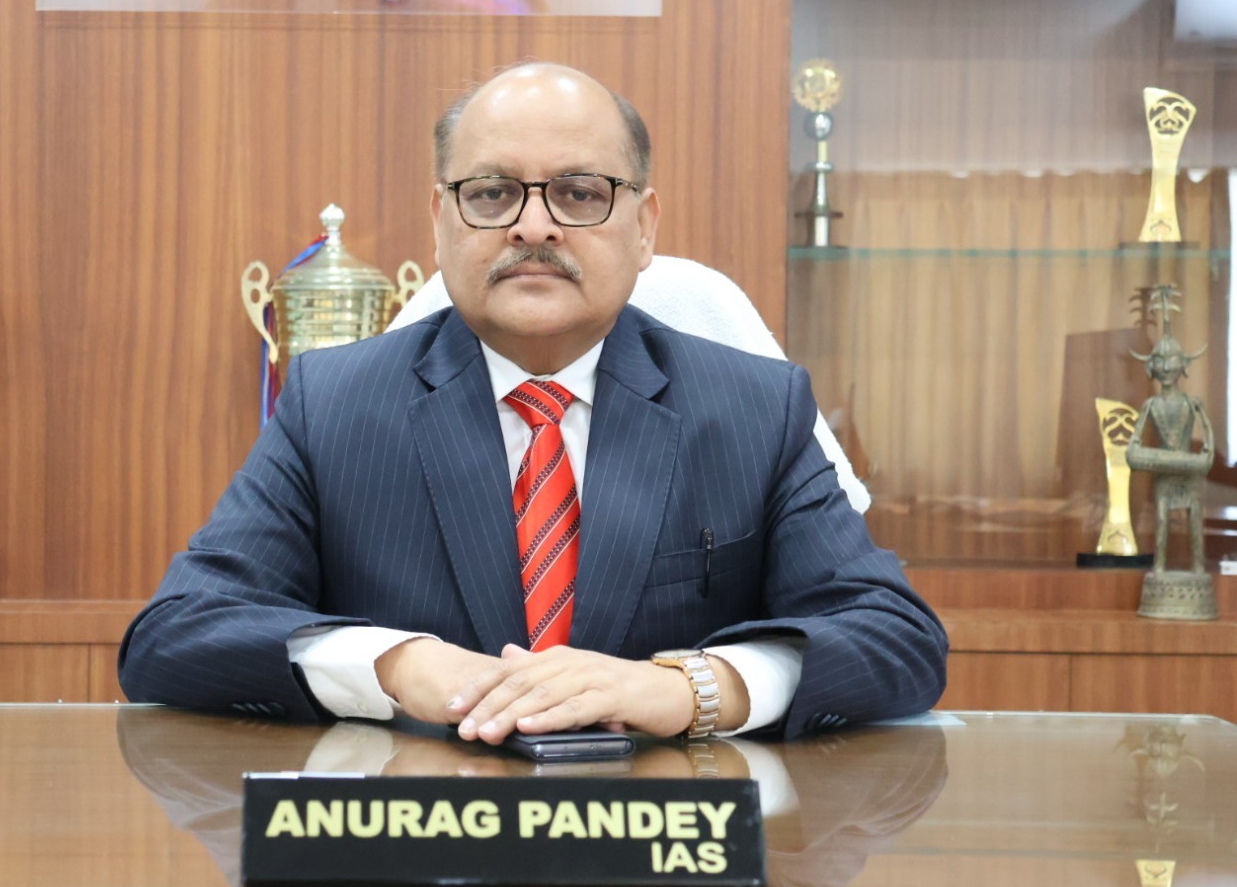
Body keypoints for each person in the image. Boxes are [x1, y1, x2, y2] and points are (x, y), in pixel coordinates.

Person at [119, 62, 947, 742]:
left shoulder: (756, 409)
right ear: (440, 221)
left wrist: (691, 688)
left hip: (668, 849)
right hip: (416, 846)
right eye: (491, 193)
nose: (533, 226)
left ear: (645, 226)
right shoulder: (332, 406)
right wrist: (393, 665)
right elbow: (175, 633)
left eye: (580, 193)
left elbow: (896, 639)